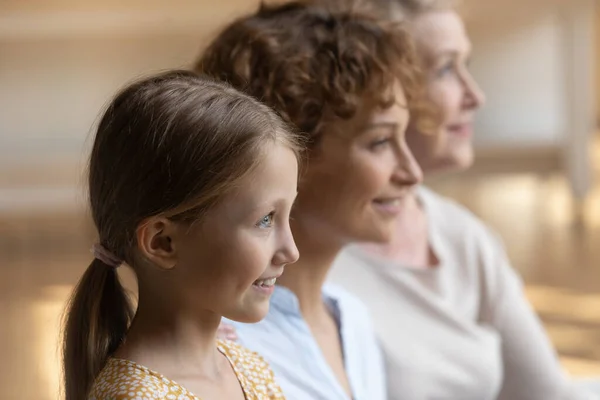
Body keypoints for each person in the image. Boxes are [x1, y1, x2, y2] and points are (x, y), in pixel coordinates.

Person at [328, 1, 598, 399]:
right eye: (444, 69)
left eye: (465, 65)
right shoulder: (303, 262)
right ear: (376, 90)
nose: (475, 95)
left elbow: (549, 395)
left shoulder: (461, 234)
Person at [196, 2, 433, 399]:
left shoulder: (352, 320)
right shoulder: (217, 353)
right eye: (379, 141)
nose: (412, 172)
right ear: (288, 155)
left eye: (403, 138)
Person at [61, 70, 302, 400]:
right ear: (163, 243)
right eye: (264, 220)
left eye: (288, 214)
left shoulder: (249, 368)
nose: (291, 251)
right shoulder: (134, 396)